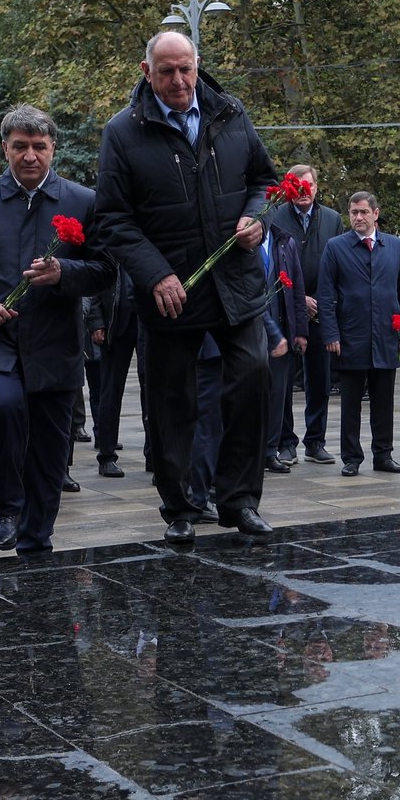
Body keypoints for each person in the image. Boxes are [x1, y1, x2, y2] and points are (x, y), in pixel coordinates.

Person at [94, 30, 277, 543]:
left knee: (254, 374)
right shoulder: (123, 132)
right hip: (169, 291)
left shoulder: (230, 113)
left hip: (234, 280)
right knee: (171, 402)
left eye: (186, 69)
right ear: (146, 71)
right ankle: (179, 506)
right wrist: (156, 274)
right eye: (167, 71)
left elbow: (266, 181)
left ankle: (238, 500)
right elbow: (112, 218)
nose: (179, 80)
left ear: (198, 66)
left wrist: (254, 216)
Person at [0, 108, 113, 554]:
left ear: (52, 148)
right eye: (20, 146)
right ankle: (6, 509)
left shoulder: (82, 200)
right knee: (3, 407)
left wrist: (65, 273)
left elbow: (105, 270)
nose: (30, 156)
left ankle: (37, 534)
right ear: (5, 149)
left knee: (51, 446)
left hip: (56, 343)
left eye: (39, 146)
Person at [319, 191, 400, 477]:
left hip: (386, 336)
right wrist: (330, 334)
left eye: (363, 212)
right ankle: (351, 457)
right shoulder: (336, 247)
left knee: (384, 401)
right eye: (353, 212)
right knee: (350, 403)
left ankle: (383, 454)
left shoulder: (395, 246)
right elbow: (326, 296)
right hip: (351, 336)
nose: (358, 218)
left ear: (376, 213)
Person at [267, 163, 345, 464]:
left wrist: (319, 300)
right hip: (285, 312)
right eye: (297, 186)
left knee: (320, 380)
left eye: (308, 185)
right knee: (284, 382)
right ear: (289, 188)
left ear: (316, 186)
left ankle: (316, 441)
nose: (304, 191)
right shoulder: (275, 218)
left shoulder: (332, 219)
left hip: (321, 311)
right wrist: (299, 299)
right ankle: (286, 441)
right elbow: (271, 265)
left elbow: (337, 266)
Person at [83, 268, 142, 478]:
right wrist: (96, 320)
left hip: (148, 320)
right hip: (116, 320)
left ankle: (155, 458)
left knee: (155, 390)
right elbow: (97, 274)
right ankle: (106, 455)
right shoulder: (108, 235)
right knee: (110, 391)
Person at [259, 219, 306, 473]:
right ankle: (252, 451)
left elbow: (297, 289)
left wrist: (300, 332)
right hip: (251, 332)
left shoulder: (284, 241)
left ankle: (269, 451)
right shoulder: (241, 240)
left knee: (278, 395)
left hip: (281, 332)